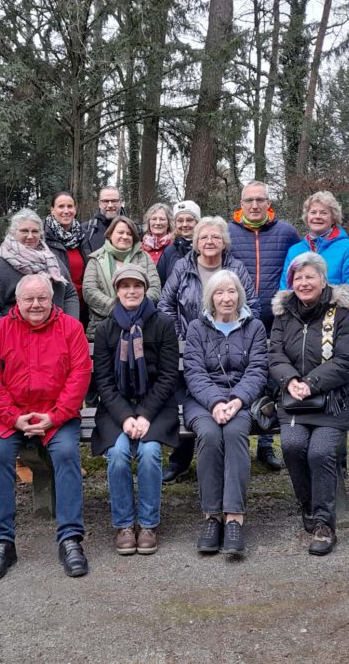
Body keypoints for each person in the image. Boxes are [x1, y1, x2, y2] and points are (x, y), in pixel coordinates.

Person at [0, 274, 92, 580]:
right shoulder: (0, 330)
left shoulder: (71, 328)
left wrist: (55, 416)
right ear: (17, 301)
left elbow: (80, 376)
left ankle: (70, 539)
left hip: (57, 416)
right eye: (29, 299)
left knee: (67, 454)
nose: (36, 304)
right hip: (11, 417)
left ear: (51, 299)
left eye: (42, 298)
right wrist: (14, 417)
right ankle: (1, 542)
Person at [269, 252, 349, 556]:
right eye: (299, 278)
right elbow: (275, 355)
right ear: (291, 282)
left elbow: (348, 360)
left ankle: (324, 523)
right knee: (293, 446)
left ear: (323, 280)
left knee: (321, 451)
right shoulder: (284, 314)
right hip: (294, 399)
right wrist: (292, 380)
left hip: (333, 400)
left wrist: (312, 383)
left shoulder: (342, 313)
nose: (304, 283)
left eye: (311, 277)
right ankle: (308, 503)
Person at [158, 215, 257, 483]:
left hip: (228, 347)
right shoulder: (182, 267)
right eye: (204, 237)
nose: (210, 241)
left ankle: (225, 462)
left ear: (224, 242)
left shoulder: (236, 268)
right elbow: (165, 306)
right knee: (189, 401)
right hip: (189, 350)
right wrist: (185, 337)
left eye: (215, 237)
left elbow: (252, 306)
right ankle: (180, 460)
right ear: (196, 243)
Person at [91, 266, 180, 556]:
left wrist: (143, 415)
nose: (131, 291)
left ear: (145, 288)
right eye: (125, 286)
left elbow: (168, 376)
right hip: (116, 409)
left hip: (155, 407)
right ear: (116, 291)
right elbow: (103, 381)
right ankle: (125, 525)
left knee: (150, 452)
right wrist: (126, 417)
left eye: (137, 285)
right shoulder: (106, 329)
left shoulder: (163, 324)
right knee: (117, 455)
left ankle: (149, 524)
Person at [182, 270, 268, 556]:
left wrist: (237, 400)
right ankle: (212, 517)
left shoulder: (255, 327)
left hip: (241, 401)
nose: (226, 298)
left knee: (233, 432)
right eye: (219, 292)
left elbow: (257, 370)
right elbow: (194, 372)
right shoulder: (197, 327)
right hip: (202, 399)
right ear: (211, 297)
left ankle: (233, 518)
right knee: (208, 434)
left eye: (231, 291)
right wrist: (216, 402)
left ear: (239, 295)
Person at [228, 181, 299, 471]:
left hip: (279, 319)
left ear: (268, 202)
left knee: (274, 378)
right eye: (249, 200)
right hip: (240, 319)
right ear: (240, 203)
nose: (255, 205)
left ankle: (267, 444)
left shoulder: (286, 232)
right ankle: (241, 437)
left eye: (260, 200)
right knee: (242, 376)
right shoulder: (229, 233)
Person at [0, 208, 79, 323]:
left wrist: (71, 325)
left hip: (58, 334)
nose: (30, 236)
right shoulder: (1, 266)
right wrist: (8, 333)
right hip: (19, 337)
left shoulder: (51, 260)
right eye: (24, 231)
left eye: (35, 231)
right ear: (13, 232)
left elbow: (70, 294)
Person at [280, 190, 349, 320]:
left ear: (333, 218)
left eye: (324, 213)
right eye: (313, 212)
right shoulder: (294, 250)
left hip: (334, 321)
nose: (317, 216)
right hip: (300, 321)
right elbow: (286, 288)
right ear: (307, 217)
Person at [82, 215, 160, 338]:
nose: (125, 236)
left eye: (129, 234)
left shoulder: (144, 257)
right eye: (120, 232)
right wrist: (117, 309)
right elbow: (89, 291)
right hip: (103, 326)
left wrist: (136, 309)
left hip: (141, 326)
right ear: (110, 235)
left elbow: (154, 287)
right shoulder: (96, 259)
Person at [44, 191, 90, 323]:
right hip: (56, 307)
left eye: (70, 206)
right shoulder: (43, 238)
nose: (66, 211)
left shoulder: (84, 236)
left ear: (75, 209)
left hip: (82, 306)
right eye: (61, 206)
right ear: (52, 210)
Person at [158, 200, 200, 285]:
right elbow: (161, 282)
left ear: (197, 222)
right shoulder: (169, 251)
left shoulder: (207, 248)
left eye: (189, 220)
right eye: (180, 221)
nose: (184, 224)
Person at [82, 186, 124, 252]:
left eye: (114, 201)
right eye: (105, 201)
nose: (110, 205)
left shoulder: (134, 230)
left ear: (120, 202)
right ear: (99, 203)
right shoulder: (85, 229)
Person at [140, 203, 174, 281]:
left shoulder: (175, 248)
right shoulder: (140, 249)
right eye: (154, 219)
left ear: (168, 223)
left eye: (162, 219)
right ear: (149, 223)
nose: (158, 223)